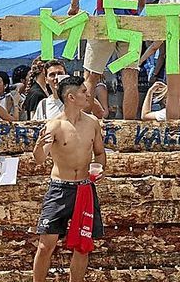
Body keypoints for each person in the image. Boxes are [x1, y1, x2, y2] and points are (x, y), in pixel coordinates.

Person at [32, 76, 106, 282]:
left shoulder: (92, 123)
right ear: (71, 97)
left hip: (84, 188)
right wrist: (38, 146)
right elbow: (39, 160)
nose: (88, 94)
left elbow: (100, 153)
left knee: (82, 246)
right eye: (83, 91)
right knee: (46, 244)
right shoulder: (55, 125)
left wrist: (101, 169)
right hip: (59, 189)